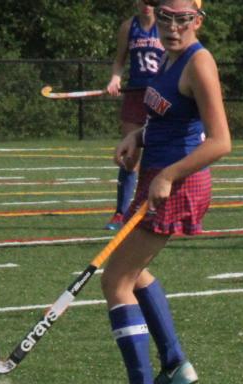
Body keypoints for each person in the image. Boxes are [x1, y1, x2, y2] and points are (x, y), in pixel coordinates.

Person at [100, 0, 230, 384]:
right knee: (133, 273)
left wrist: (169, 175)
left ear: (198, 20)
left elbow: (220, 141)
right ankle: (174, 365)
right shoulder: (169, 59)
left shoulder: (198, 62)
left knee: (115, 282)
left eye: (183, 19)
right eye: (167, 18)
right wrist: (137, 136)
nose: (173, 27)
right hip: (159, 174)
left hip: (178, 183)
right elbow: (168, 118)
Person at [103, 0, 164, 230]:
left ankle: (155, 208)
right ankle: (120, 213)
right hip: (135, 97)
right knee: (130, 157)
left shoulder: (166, 25)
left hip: (160, 97)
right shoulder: (129, 27)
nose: (147, 4)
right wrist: (115, 79)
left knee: (160, 154)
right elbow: (120, 61)